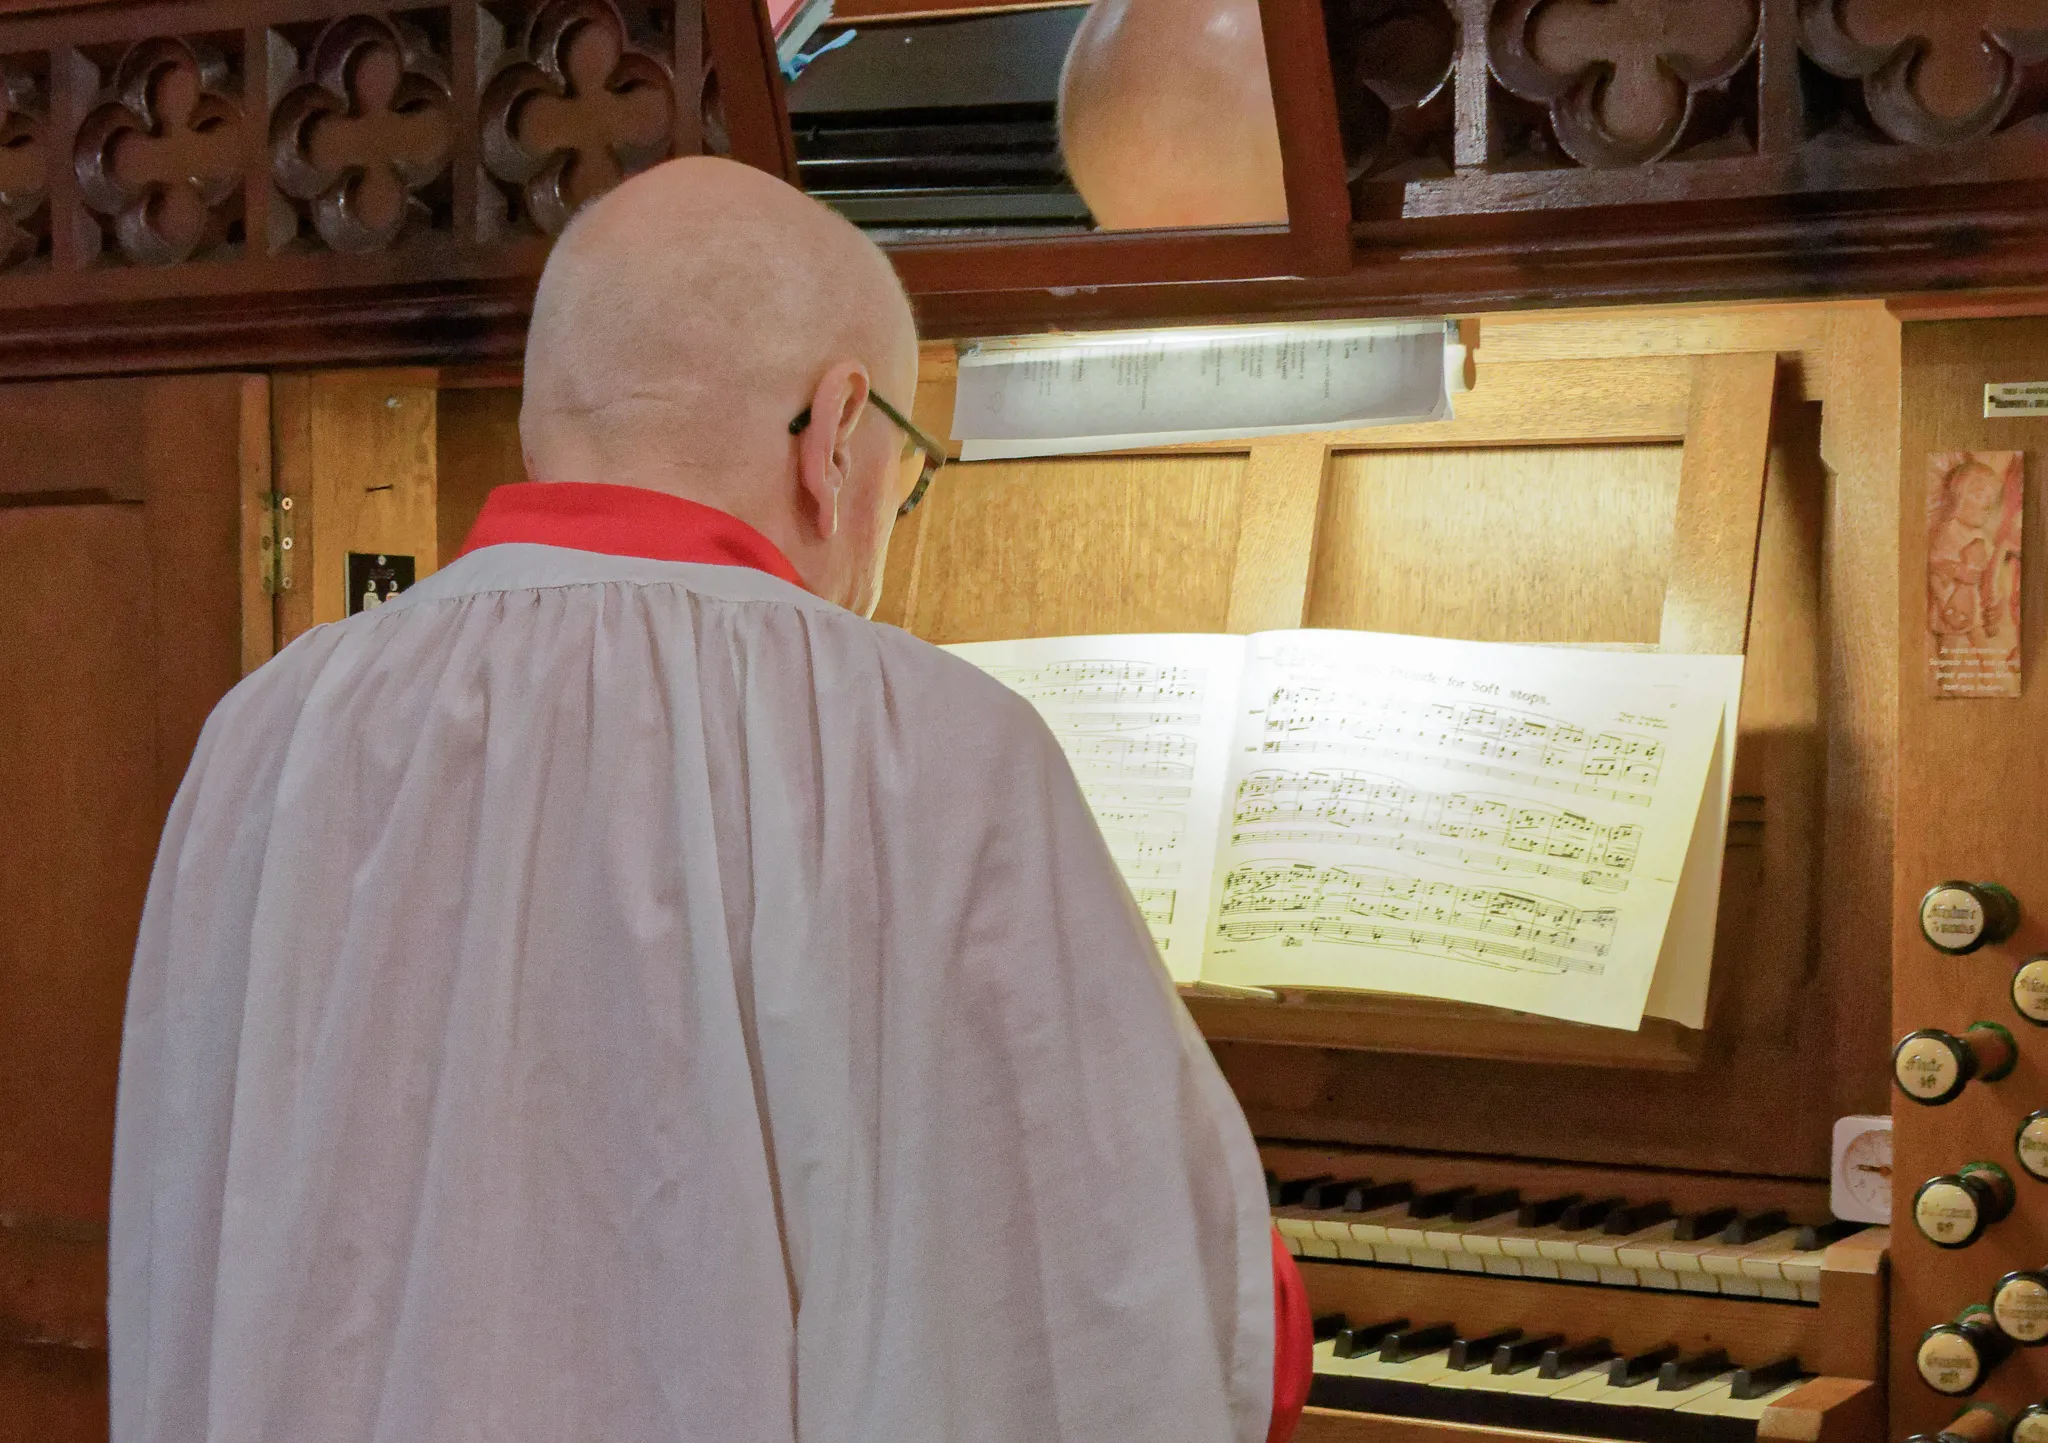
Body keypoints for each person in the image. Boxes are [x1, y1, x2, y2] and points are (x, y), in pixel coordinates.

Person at [109, 156, 1309, 1443]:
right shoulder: (931, 747)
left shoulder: (271, 727)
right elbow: (1131, 1303)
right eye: (907, 475)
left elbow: (193, 1243)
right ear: (838, 431)